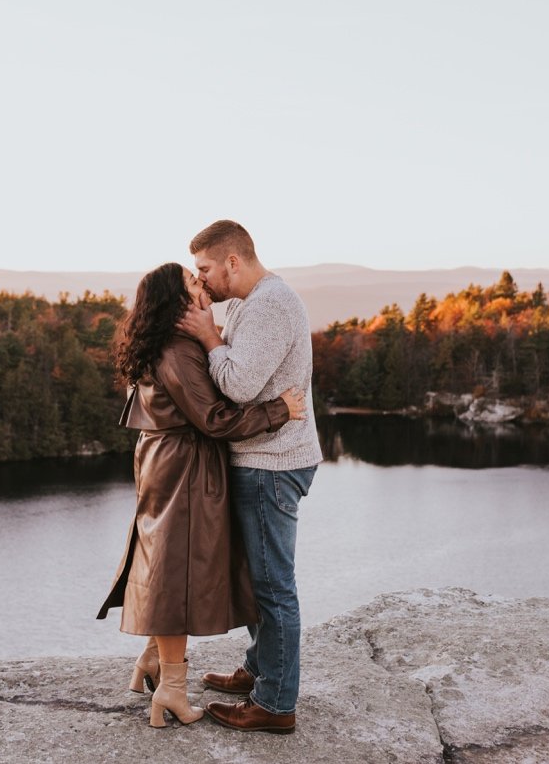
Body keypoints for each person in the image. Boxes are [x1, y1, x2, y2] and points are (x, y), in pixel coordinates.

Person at [97, 262, 306, 729]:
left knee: (167, 565)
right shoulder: (178, 352)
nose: (202, 283)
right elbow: (213, 419)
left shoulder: (168, 344)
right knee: (175, 572)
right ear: (177, 301)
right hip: (184, 469)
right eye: (193, 281)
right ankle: (171, 687)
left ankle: (154, 659)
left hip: (169, 463)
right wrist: (279, 410)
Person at [177, 220, 323, 735]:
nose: (202, 280)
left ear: (232, 261)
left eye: (205, 269)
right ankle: (261, 670)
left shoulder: (269, 305)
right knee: (255, 578)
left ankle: (276, 705)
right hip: (263, 456)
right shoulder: (247, 302)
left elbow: (238, 385)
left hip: (272, 462)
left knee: (273, 586)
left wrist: (208, 335)